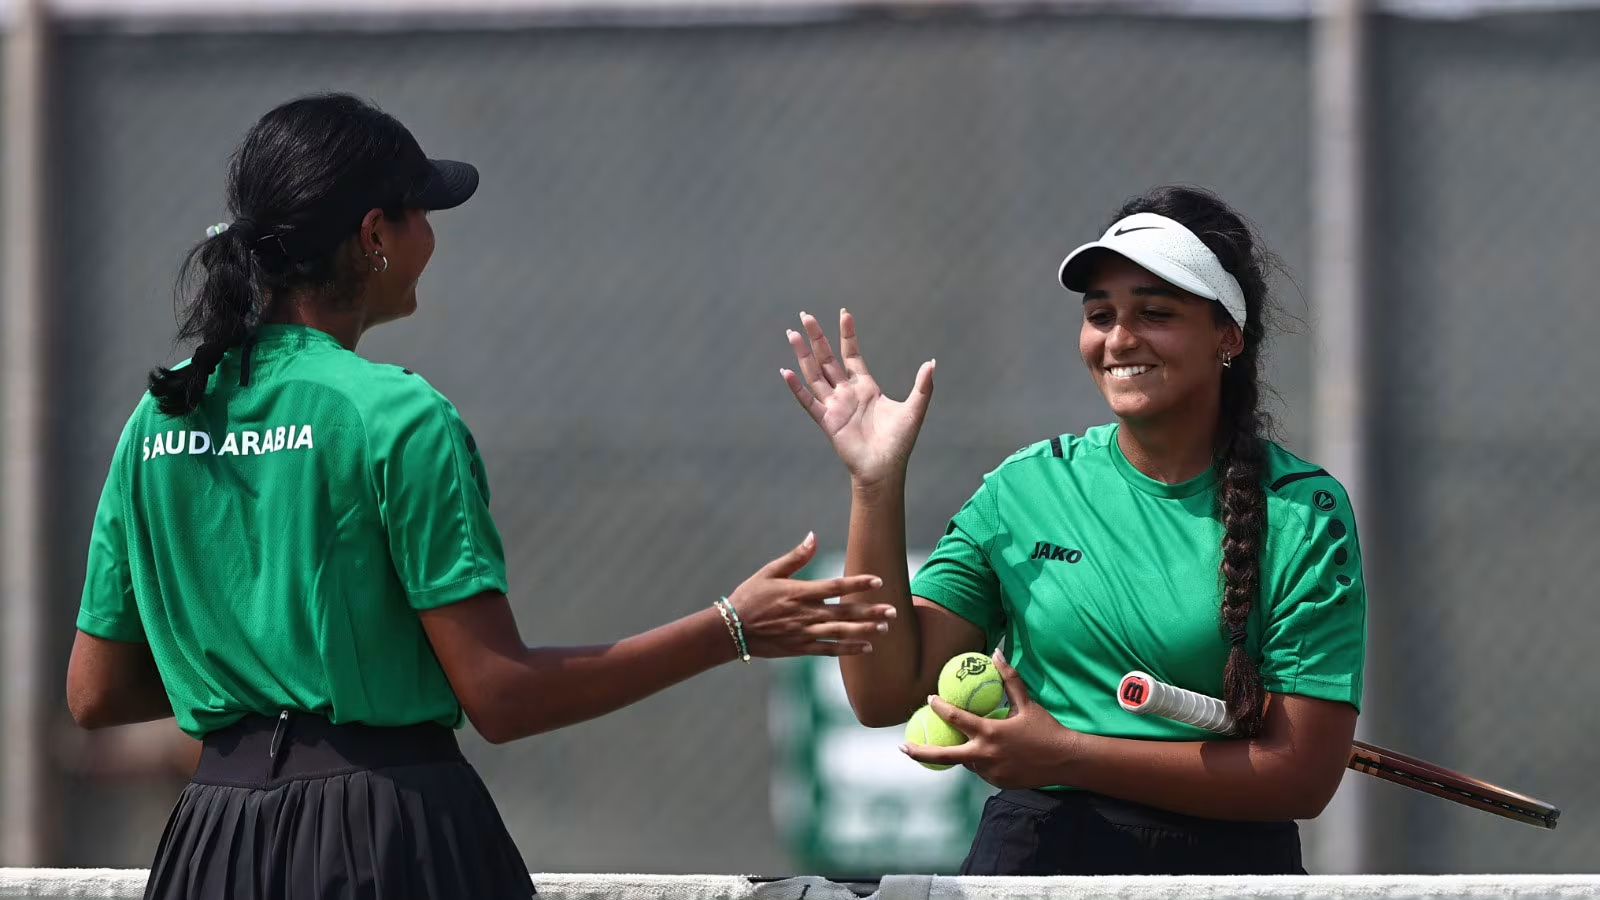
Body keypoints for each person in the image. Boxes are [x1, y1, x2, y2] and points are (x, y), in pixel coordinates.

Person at [65, 92, 897, 900]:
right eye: (420, 212)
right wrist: (731, 628)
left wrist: (263, 684)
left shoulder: (161, 414)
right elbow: (501, 697)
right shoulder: (396, 414)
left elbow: (95, 692)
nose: (432, 235)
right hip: (383, 835)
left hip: (214, 843)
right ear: (372, 238)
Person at [781, 185, 1367, 876]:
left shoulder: (1304, 511)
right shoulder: (1022, 489)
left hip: (1233, 871)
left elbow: (1300, 778)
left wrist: (1067, 755)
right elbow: (883, 693)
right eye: (1101, 314)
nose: (1120, 338)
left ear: (1228, 336)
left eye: (1155, 312)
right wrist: (875, 487)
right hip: (1035, 856)